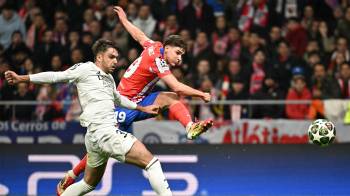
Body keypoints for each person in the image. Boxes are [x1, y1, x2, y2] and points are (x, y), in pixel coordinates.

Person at [56, 6, 214, 195]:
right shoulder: (159, 60)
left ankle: (189, 127)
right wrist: (202, 94)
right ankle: (72, 175)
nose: (180, 58)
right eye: (178, 53)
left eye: (182, 55)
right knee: (100, 158)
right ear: (168, 48)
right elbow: (177, 87)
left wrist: (124, 20)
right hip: (123, 106)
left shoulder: (154, 46)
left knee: (98, 159)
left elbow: (139, 36)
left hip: (136, 101)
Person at [5, 39, 172, 195]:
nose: (115, 61)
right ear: (99, 57)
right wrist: (23, 78)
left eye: (117, 58)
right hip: (105, 132)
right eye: (111, 57)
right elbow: (55, 76)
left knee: (88, 184)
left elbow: (118, 99)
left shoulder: (109, 79)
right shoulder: (85, 69)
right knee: (152, 163)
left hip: (94, 138)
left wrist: (142, 108)